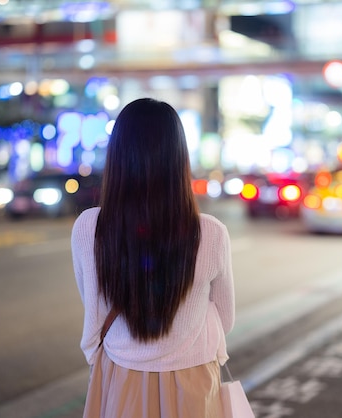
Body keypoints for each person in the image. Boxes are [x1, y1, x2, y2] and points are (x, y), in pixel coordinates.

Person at [71, 98, 235, 417]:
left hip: (121, 375)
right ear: (179, 159)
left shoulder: (89, 228)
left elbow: (95, 302)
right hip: (195, 378)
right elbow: (224, 318)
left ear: (117, 156)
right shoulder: (211, 233)